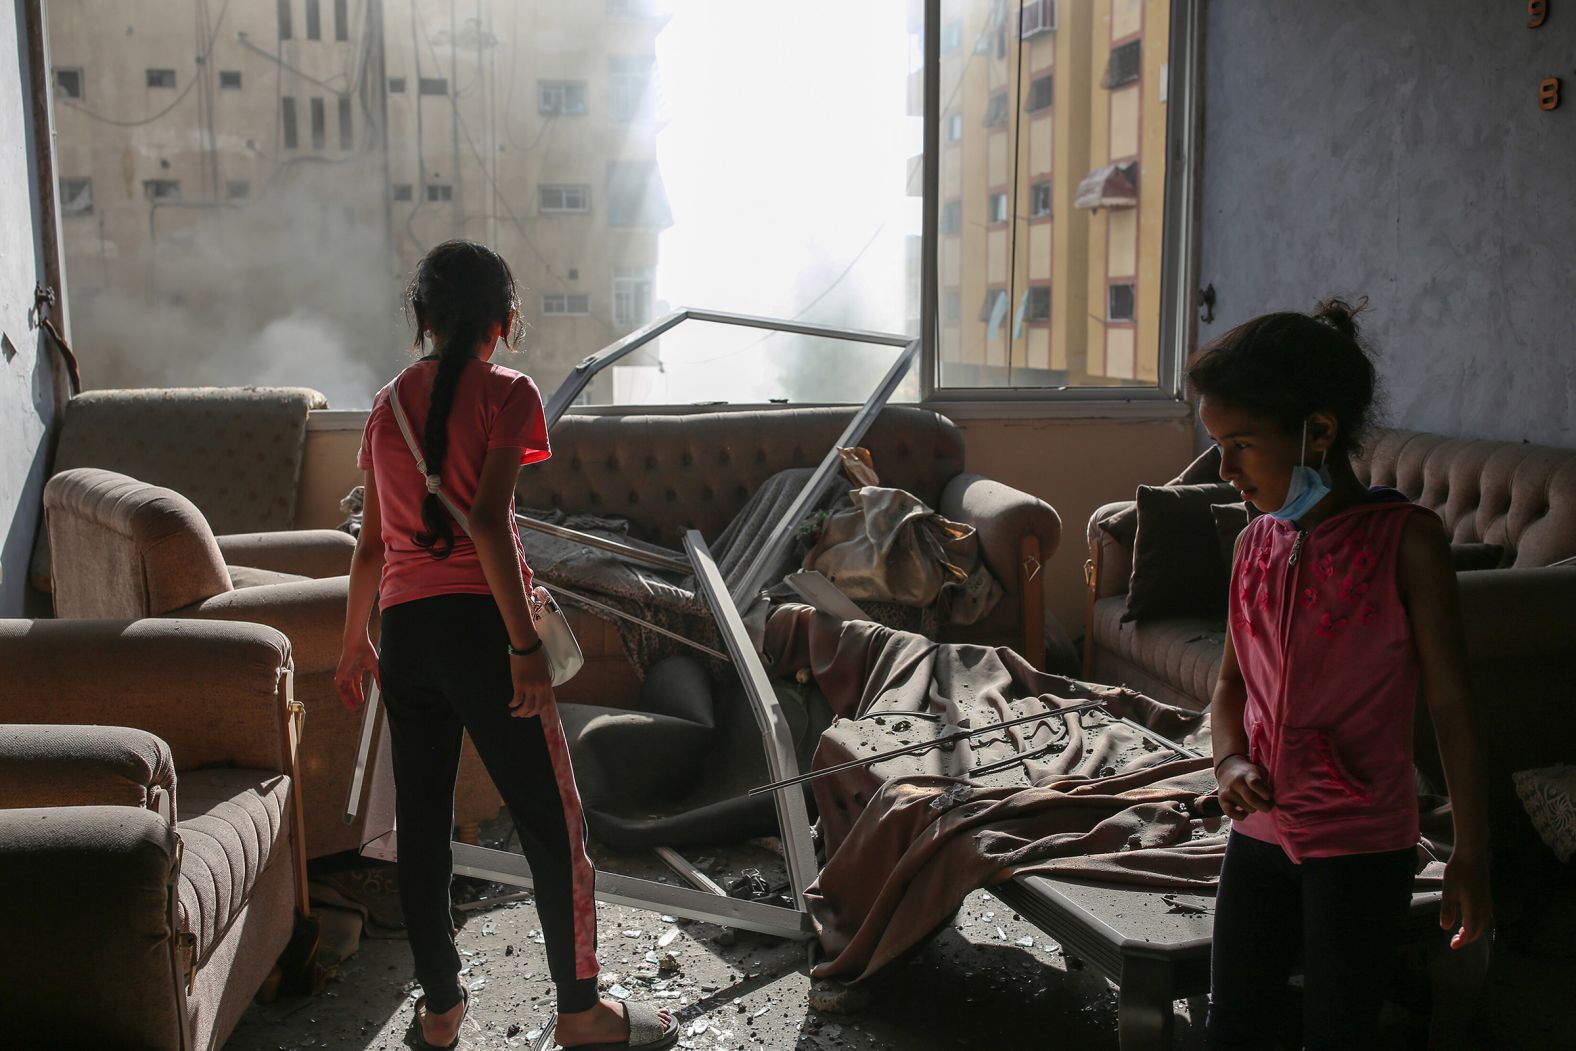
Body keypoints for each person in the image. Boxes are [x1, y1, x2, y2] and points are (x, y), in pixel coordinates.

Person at [336, 240, 677, 1051]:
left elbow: (371, 548)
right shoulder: (509, 393)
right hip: (484, 628)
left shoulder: (384, 407)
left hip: (407, 633)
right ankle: (581, 1012)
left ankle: (441, 1012)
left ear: (423, 320)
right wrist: (523, 645)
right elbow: (487, 521)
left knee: (421, 827)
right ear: (505, 319)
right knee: (551, 823)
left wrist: (355, 643)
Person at [1193, 298, 1492, 1048]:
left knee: (1339, 1029)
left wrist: (1472, 853)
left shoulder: (1407, 545)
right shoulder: (1252, 546)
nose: (1222, 469)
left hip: (1363, 846)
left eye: (1240, 444)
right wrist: (1228, 759)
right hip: (1257, 835)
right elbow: (1230, 686)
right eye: (1217, 446)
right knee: (1235, 1021)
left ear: (1318, 432)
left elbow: (1454, 706)